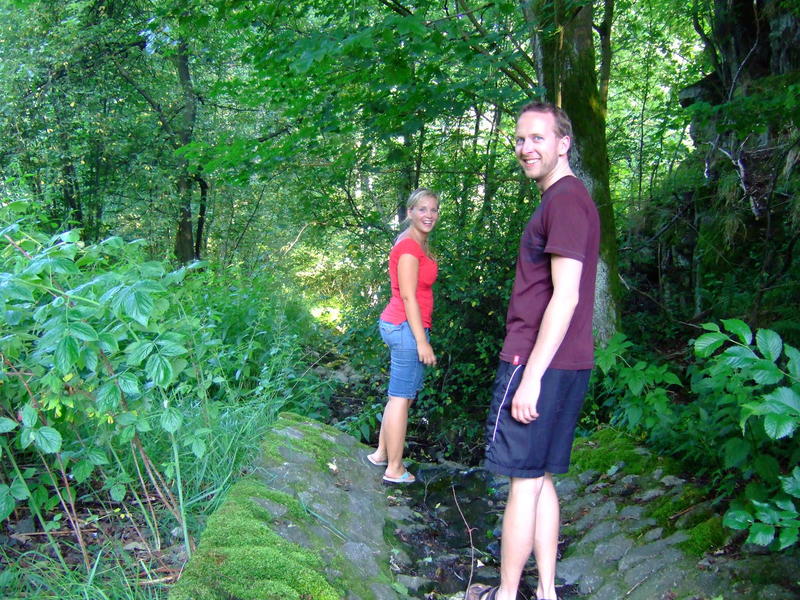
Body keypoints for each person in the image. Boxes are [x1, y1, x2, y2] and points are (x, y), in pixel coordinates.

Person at [467, 103, 600, 600]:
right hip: (566, 362)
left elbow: (565, 296)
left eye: (538, 138)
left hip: (537, 362)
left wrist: (532, 377)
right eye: (520, 139)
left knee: (522, 482)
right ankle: (545, 591)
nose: (526, 148)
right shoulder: (568, 199)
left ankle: (505, 594)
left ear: (563, 144)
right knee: (540, 478)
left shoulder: (564, 201)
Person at [366, 188, 440, 485]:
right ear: (410, 212)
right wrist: (422, 341)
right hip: (406, 327)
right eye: (422, 209)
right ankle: (394, 469)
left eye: (433, 209)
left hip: (402, 325)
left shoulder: (416, 242)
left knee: (400, 397)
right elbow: (408, 296)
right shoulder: (409, 247)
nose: (429, 215)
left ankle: (381, 453)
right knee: (401, 398)